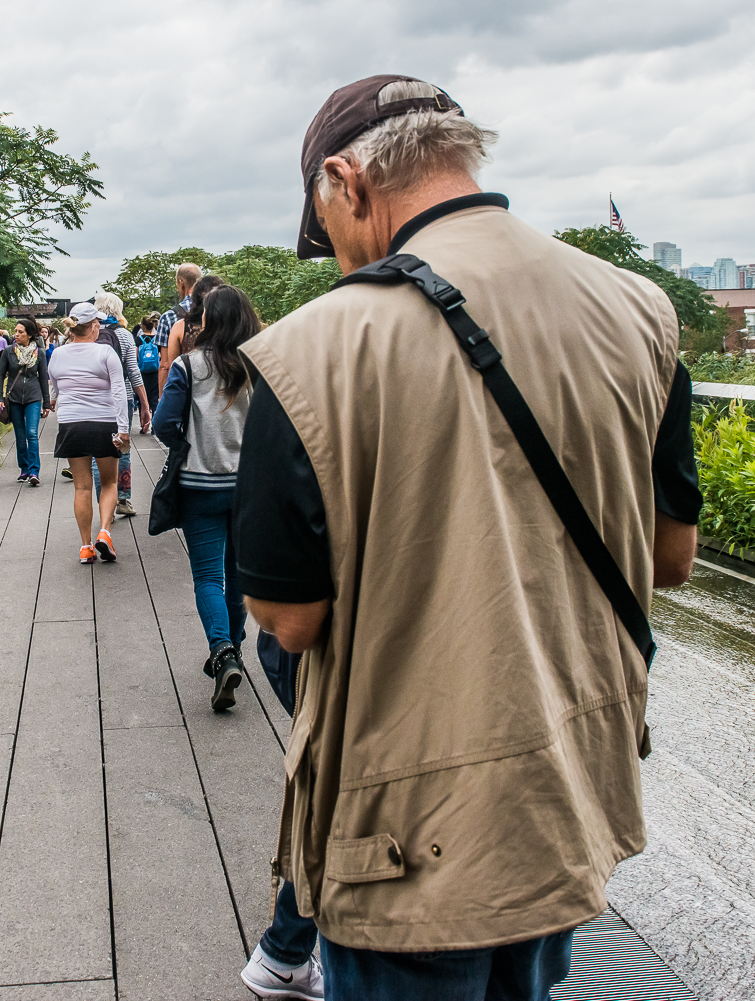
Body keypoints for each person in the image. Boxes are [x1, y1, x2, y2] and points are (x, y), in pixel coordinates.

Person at [233, 75, 700, 1001]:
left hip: (405, 832)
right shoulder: (642, 310)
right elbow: (669, 558)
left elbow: (287, 620)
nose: (335, 260)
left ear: (345, 181)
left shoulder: (308, 349)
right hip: (565, 797)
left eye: (328, 232)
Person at [152, 285, 257, 713]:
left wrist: (189, 444)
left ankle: (222, 651)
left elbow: (162, 424)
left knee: (208, 576)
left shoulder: (188, 365)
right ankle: (233, 646)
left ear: (209, 321)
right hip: (250, 488)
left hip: (200, 486)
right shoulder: (261, 364)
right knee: (239, 578)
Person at [49, 302, 128, 564]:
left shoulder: (58, 354)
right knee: (109, 483)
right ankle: (104, 532)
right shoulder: (105, 352)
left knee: (81, 487)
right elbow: (118, 393)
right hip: (103, 423)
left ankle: (85, 546)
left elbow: (55, 389)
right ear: (94, 326)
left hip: (71, 424)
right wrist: (124, 430)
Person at [87, 291, 151, 516]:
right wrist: (145, 405)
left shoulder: (89, 333)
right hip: (121, 398)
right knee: (121, 448)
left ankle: (104, 505)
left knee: (98, 452)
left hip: (94, 400)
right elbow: (133, 372)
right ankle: (122, 499)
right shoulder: (123, 335)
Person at [0, 317, 52, 485]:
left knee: (32, 433)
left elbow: (43, 378)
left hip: (33, 398)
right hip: (13, 399)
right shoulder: (8, 352)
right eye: (15, 331)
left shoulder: (39, 353)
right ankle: (24, 469)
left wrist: (46, 403)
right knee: (20, 436)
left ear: (29, 335)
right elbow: (0, 376)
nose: (16, 335)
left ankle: (34, 472)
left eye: (20, 332)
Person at [164, 274, 226, 375]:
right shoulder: (231, 325)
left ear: (194, 298)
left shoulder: (179, 327)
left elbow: (174, 369)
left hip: (190, 387)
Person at [156, 262, 203, 392]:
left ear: (181, 282)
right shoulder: (214, 311)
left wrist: (162, 399)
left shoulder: (169, 317)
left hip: (183, 387)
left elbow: (165, 365)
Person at [136, 314, 162, 416]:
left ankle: (143, 424)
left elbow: (135, 356)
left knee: (142, 398)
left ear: (143, 326)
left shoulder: (138, 340)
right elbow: (161, 355)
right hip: (155, 372)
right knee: (155, 398)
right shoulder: (157, 339)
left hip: (142, 373)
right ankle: (154, 425)